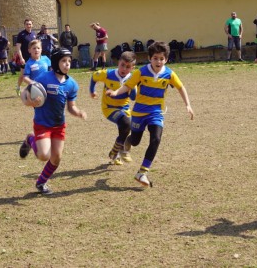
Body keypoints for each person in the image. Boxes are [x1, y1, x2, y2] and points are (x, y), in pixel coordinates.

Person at [106, 41, 194, 187]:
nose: (158, 61)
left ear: (166, 59)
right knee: (135, 140)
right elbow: (127, 86)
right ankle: (125, 144)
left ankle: (142, 173)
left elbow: (180, 87)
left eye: (161, 58)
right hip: (139, 113)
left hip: (156, 112)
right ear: (149, 58)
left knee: (156, 139)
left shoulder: (169, 74)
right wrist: (116, 92)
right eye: (155, 58)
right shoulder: (141, 72)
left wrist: (188, 105)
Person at [19, 48, 87, 194]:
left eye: (69, 61)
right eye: (63, 61)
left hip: (58, 125)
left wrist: (78, 112)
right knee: (44, 155)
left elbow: (71, 107)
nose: (67, 64)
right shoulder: (44, 78)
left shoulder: (72, 84)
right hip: (42, 123)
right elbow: (25, 94)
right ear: (56, 62)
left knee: (56, 158)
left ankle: (41, 183)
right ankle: (30, 139)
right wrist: (30, 102)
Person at [90, 51, 137, 165]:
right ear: (118, 63)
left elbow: (133, 98)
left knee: (126, 129)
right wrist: (92, 90)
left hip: (124, 108)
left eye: (128, 67)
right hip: (109, 108)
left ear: (132, 68)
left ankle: (114, 153)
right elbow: (94, 77)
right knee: (126, 123)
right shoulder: (108, 74)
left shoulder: (133, 79)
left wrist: (133, 89)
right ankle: (122, 150)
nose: (124, 69)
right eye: (122, 65)